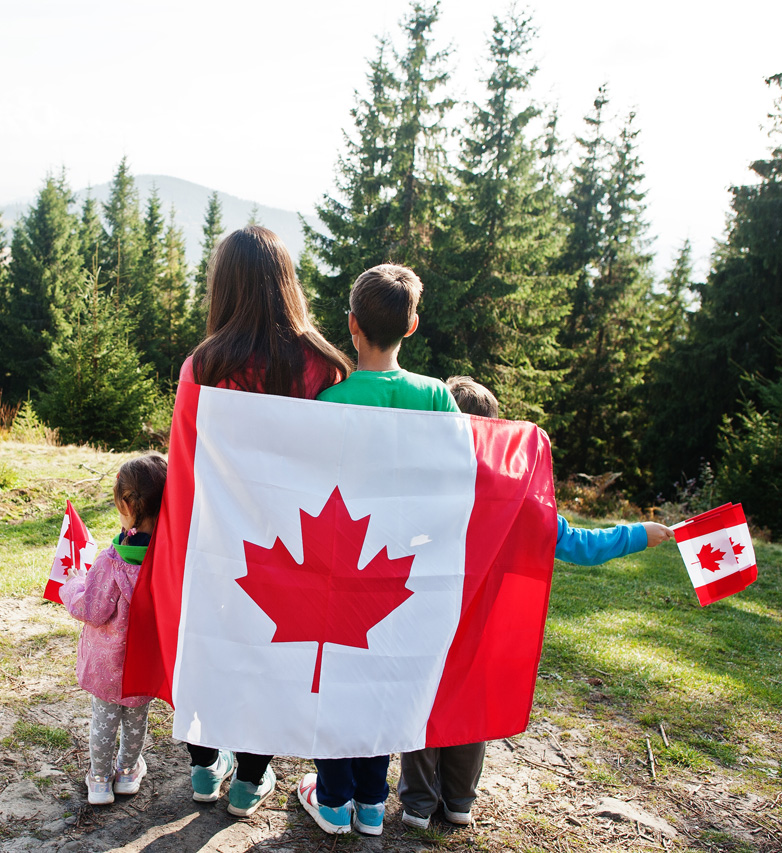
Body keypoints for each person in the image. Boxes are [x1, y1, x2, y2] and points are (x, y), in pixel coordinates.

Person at [397, 375, 675, 829]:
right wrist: (638, 534)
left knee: (426, 703)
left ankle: (417, 805)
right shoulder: (521, 499)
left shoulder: (425, 490)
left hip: (430, 619)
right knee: (472, 706)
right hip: (487, 629)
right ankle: (460, 802)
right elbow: (580, 544)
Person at [179, 225, 353, 817]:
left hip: (219, 538)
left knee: (210, 644)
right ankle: (252, 779)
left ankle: (204, 770)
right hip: (294, 543)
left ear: (223, 286)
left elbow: (187, 463)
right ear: (286, 285)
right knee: (271, 655)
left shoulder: (202, 366)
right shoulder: (325, 368)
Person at [296, 264, 459, 838]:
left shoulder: (331, 399)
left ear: (352, 326)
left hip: (340, 564)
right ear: (413, 325)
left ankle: (333, 799)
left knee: (339, 678)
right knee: (385, 679)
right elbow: (460, 478)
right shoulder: (438, 397)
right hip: (407, 568)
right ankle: (371, 804)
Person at [61, 453, 167, 806]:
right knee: (136, 722)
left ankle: (100, 780)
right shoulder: (168, 559)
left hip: (108, 665)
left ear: (126, 503)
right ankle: (126, 773)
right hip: (144, 665)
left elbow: (92, 609)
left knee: (104, 722)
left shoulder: (111, 561)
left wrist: (73, 585)